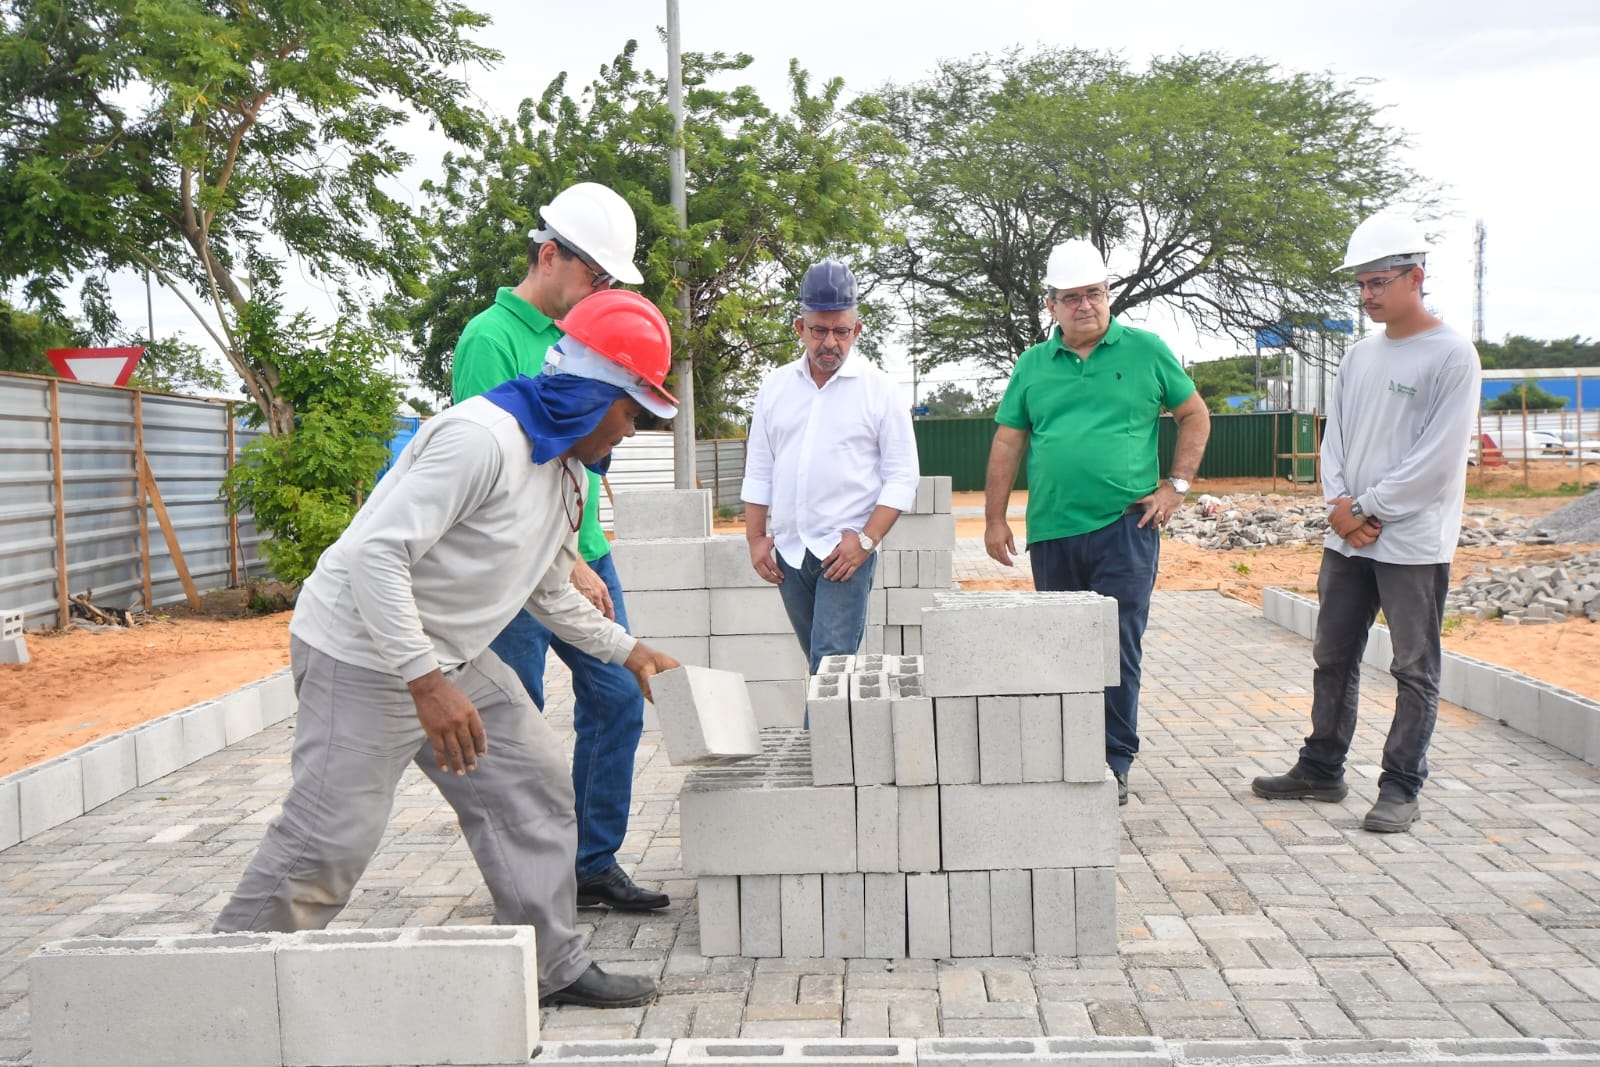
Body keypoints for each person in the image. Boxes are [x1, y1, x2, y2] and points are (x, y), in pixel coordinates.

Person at [215, 289, 682, 1010]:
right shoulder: (481, 438)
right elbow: (375, 555)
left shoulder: (565, 474)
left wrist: (629, 650)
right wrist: (426, 682)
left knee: (531, 785)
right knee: (327, 844)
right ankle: (220, 986)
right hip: (361, 653)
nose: (630, 431)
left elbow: (551, 587)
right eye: (631, 412)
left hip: (447, 655)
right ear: (596, 393)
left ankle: (550, 966)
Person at [451, 182, 668, 912]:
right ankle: (524, 874)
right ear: (550, 256)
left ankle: (588, 863)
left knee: (617, 697)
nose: (601, 292)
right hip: (521, 563)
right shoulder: (490, 339)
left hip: (584, 547)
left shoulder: (584, 332)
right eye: (596, 277)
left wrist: (584, 552)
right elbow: (502, 476)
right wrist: (565, 565)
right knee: (517, 717)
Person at [1252, 214, 1481, 834]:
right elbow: (1336, 439)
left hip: (1411, 543)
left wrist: (1367, 508)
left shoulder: (1453, 356)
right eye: (1362, 283)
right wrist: (1340, 508)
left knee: (1413, 668)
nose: (1367, 294)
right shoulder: (1357, 357)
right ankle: (1321, 768)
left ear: (1416, 277)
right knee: (1332, 656)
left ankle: (1401, 785)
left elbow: (1436, 459)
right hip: (1347, 538)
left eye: (1379, 281)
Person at [984, 239, 1211, 807]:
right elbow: (1009, 440)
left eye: (1095, 293)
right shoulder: (1032, 365)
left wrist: (1176, 486)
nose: (1085, 305)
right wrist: (994, 518)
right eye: (1071, 297)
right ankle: (1068, 751)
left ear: (1107, 297)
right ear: (1052, 306)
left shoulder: (1145, 350)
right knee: (1060, 647)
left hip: (1125, 528)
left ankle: (1113, 760)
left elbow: (1194, 415)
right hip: (1054, 530)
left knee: (1116, 645)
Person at [742, 258, 921, 673]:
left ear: (857, 330)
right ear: (799, 328)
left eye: (841, 332)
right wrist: (755, 538)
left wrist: (866, 541)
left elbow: (902, 476)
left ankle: (821, 740)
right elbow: (760, 469)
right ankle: (839, 737)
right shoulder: (775, 387)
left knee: (831, 664)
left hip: (844, 553)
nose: (830, 343)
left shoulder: (880, 392)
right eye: (819, 330)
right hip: (788, 552)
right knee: (821, 668)